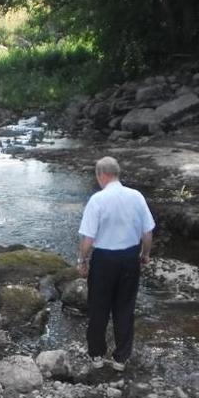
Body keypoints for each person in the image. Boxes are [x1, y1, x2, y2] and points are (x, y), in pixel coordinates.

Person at [77, 156, 155, 371]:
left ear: (101, 175)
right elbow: (147, 232)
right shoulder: (136, 196)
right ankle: (121, 359)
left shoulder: (97, 200)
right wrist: (144, 255)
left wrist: (82, 261)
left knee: (98, 309)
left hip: (103, 259)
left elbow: (88, 240)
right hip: (129, 257)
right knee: (125, 307)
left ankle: (97, 356)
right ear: (117, 173)